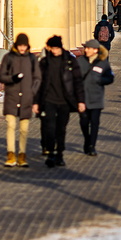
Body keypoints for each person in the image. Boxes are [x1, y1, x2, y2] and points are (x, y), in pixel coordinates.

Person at [36, 35, 86, 168]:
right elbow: (39, 83)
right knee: (50, 128)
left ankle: (60, 154)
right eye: (52, 48)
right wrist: (36, 102)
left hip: (65, 101)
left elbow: (77, 82)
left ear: (60, 47)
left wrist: (81, 101)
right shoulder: (45, 62)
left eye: (56, 48)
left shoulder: (70, 61)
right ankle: (51, 154)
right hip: (48, 100)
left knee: (61, 129)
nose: (54, 51)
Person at [0, 33, 41, 167]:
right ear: (17, 45)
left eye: (24, 46)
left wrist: (32, 93)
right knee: (10, 126)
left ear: (27, 46)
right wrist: (12, 78)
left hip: (26, 99)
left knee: (24, 129)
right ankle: (10, 155)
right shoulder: (9, 57)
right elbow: (1, 76)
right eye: (20, 45)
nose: (22, 48)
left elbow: (37, 78)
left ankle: (22, 155)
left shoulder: (32, 59)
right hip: (12, 97)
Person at [78, 39, 114, 156]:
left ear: (95, 50)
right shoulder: (80, 61)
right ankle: (87, 141)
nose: (86, 50)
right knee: (84, 122)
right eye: (86, 48)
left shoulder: (103, 62)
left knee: (94, 123)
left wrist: (100, 80)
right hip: (82, 98)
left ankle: (92, 146)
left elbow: (110, 78)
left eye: (88, 48)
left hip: (96, 98)